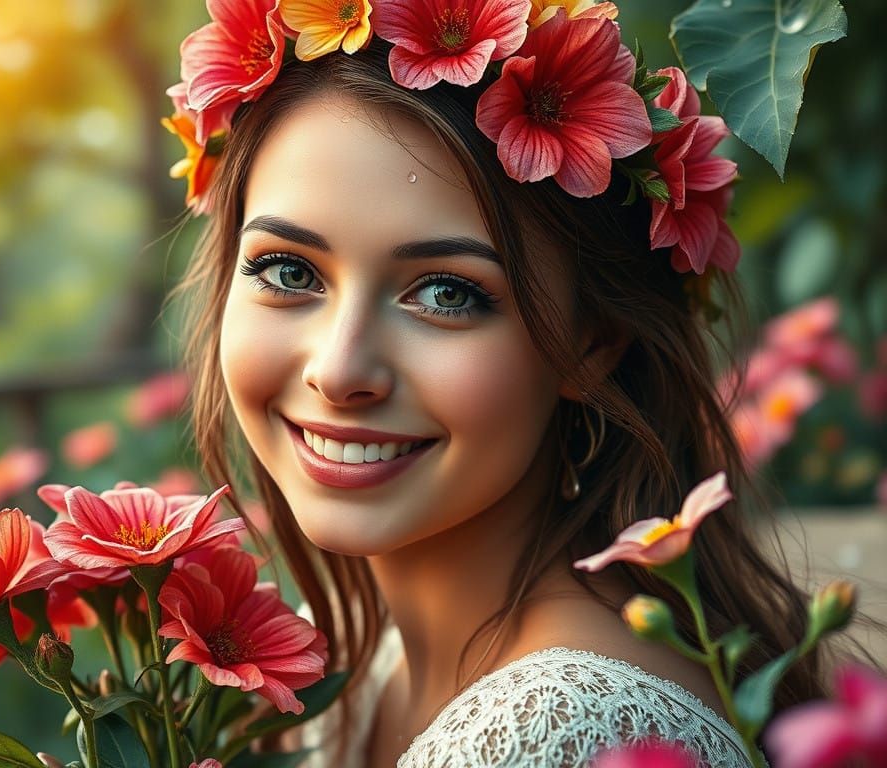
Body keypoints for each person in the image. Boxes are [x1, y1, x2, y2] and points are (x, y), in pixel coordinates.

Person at [171, 2, 828, 765]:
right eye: (288, 271)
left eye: (447, 292)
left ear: (592, 342)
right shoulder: (377, 669)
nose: (339, 369)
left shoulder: (551, 734)